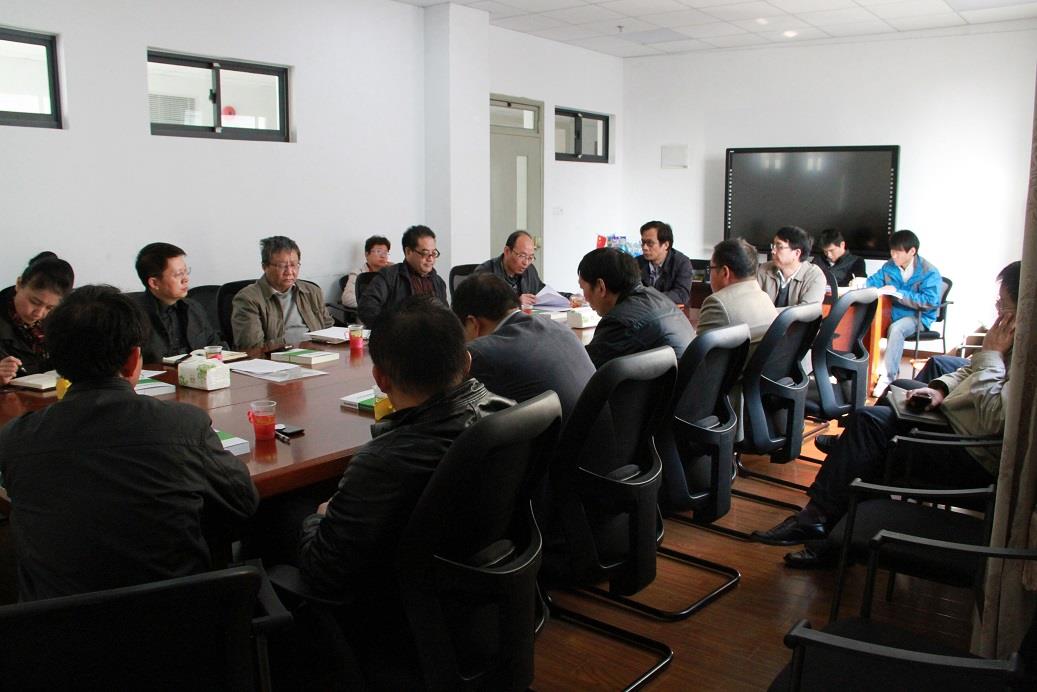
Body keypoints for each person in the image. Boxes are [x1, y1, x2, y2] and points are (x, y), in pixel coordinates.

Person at [0, 285, 258, 601]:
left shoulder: (14, 438)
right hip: (179, 617)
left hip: (58, 624)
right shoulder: (184, 426)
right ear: (134, 359)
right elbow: (243, 504)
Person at [753, 262, 1019, 566]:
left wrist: (992, 355)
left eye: (1004, 305)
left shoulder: (1026, 358)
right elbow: (971, 369)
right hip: (960, 425)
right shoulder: (1014, 339)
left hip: (973, 455)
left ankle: (819, 520)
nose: (998, 312)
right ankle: (836, 531)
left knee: (868, 431)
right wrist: (939, 389)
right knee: (894, 398)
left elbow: (996, 421)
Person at [296, 296, 511, 668]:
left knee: (283, 515)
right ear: (467, 361)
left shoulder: (382, 461)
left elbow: (324, 571)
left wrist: (320, 517)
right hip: (485, 593)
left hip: (401, 616)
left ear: (380, 379)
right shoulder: (506, 411)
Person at [452, 272, 594, 420]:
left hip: (565, 434)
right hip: (599, 428)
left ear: (472, 323)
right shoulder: (560, 328)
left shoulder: (481, 352)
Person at [579, 247, 694, 368]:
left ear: (600, 287)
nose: (585, 297)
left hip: (670, 379)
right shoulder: (660, 298)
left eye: (583, 288)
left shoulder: (619, 322)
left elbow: (584, 370)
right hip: (688, 378)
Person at [865, 229, 942, 392]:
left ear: (912, 251)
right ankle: (864, 374)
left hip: (918, 316)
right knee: (866, 321)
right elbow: (874, 281)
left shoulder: (929, 271)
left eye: (898, 252)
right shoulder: (889, 266)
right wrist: (861, 284)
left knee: (897, 329)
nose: (893, 256)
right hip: (892, 313)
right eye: (892, 251)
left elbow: (930, 301)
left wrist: (899, 293)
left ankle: (888, 379)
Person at [231, 235, 334, 355]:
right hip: (276, 360)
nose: (289, 272)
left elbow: (329, 331)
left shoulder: (312, 291)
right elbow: (253, 348)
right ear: (265, 267)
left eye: (294, 265)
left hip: (318, 356)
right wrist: (297, 346)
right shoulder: (248, 299)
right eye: (282, 266)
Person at [132, 242, 225, 362]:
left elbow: (215, 346)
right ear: (154, 283)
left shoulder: (194, 308)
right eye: (178, 274)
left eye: (186, 272)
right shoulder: (134, 317)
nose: (186, 279)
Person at [0, 252, 74, 385]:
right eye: (34, 302)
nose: (39, 313)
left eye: (50, 308)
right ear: (19, 284)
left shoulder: (61, 321)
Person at [357, 225, 448, 327]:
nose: (430, 259)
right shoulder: (389, 276)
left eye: (433, 253)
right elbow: (367, 307)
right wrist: (391, 328)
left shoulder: (438, 282)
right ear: (408, 252)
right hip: (399, 334)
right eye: (425, 253)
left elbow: (446, 316)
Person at [697, 238, 778, 351]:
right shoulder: (764, 297)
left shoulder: (717, 303)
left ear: (725, 272)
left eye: (711, 268)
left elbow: (699, 354)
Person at [757, 226, 827, 307]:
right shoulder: (764, 269)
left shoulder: (814, 276)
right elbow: (752, 301)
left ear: (797, 253)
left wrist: (768, 312)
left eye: (780, 247)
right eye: (773, 246)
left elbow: (807, 310)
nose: (773, 251)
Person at [474, 230, 545, 307]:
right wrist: (515, 303)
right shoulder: (485, 274)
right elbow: (480, 305)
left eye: (530, 257)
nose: (526, 263)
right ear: (507, 251)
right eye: (522, 256)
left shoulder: (530, 270)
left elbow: (542, 292)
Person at [637, 220, 694, 306]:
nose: (644, 247)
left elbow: (681, 295)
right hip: (642, 310)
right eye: (643, 242)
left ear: (666, 245)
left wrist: (648, 298)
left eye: (650, 243)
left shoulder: (682, 263)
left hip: (670, 312)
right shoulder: (636, 262)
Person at [340, 235, 392, 309]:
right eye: (379, 251)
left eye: (385, 253)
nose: (383, 256)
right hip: (369, 313)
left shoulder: (391, 272)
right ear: (367, 254)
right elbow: (348, 299)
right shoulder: (358, 273)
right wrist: (375, 305)